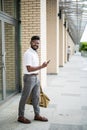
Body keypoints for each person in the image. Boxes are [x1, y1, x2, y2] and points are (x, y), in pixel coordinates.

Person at [18, 36, 50, 124]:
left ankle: (37, 115)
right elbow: (29, 69)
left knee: (36, 97)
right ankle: (20, 116)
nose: (36, 44)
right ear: (31, 42)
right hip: (29, 78)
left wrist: (40, 68)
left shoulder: (35, 53)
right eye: (35, 42)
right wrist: (42, 66)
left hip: (36, 77)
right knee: (25, 97)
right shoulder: (28, 53)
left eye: (38, 43)